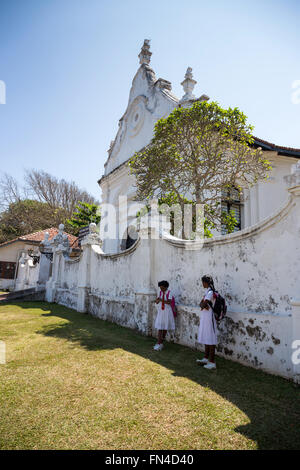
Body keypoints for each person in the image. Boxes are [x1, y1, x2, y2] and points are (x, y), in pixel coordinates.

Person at [196, 275, 217, 370]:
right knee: (206, 337)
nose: (202, 284)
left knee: (211, 339)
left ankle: (212, 362)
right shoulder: (207, 292)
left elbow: (203, 304)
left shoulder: (210, 292)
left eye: (203, 282)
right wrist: (203, 305)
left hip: (209, 318)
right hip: (205, 317)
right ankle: (206, 358)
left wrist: (203, 305)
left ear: (206, 282)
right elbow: (201, 304)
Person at [153, 280, 175, 351]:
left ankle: (161, 342)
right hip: (161, 311)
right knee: (160, 327)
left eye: (162, 288)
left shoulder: (169, 292)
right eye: (160, 288)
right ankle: (159, 342)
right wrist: (156, 301)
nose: (161, 289)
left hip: (167, 312)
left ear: (166, 287)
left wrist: (161, 300)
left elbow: (169, 302)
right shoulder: (160, 292)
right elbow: (158, 300)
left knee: (165, 327)